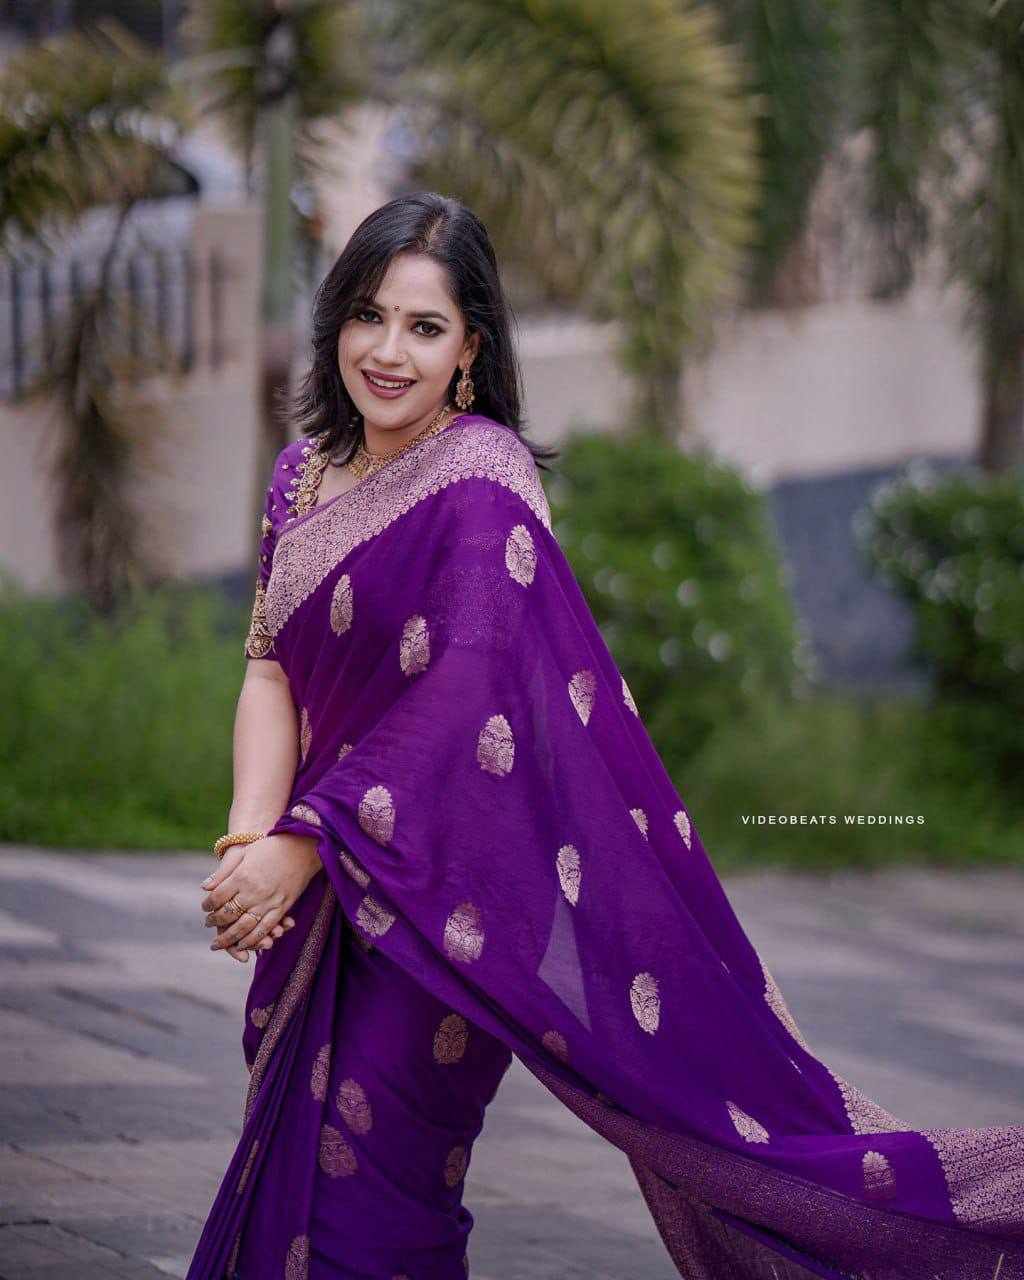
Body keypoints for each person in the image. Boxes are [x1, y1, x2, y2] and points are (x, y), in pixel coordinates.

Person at [186, 192, 1024, 1280]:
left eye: (425, 326)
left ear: (470, 348)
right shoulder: (299, 475)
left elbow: (467, 692)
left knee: (371, 1195)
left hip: (445, 898)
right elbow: (268, 663)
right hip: (316, 882)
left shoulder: (481, 477)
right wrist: (252, 842)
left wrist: (304, 842)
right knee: (305, 1178)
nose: (388, 352)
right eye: (368, 316)